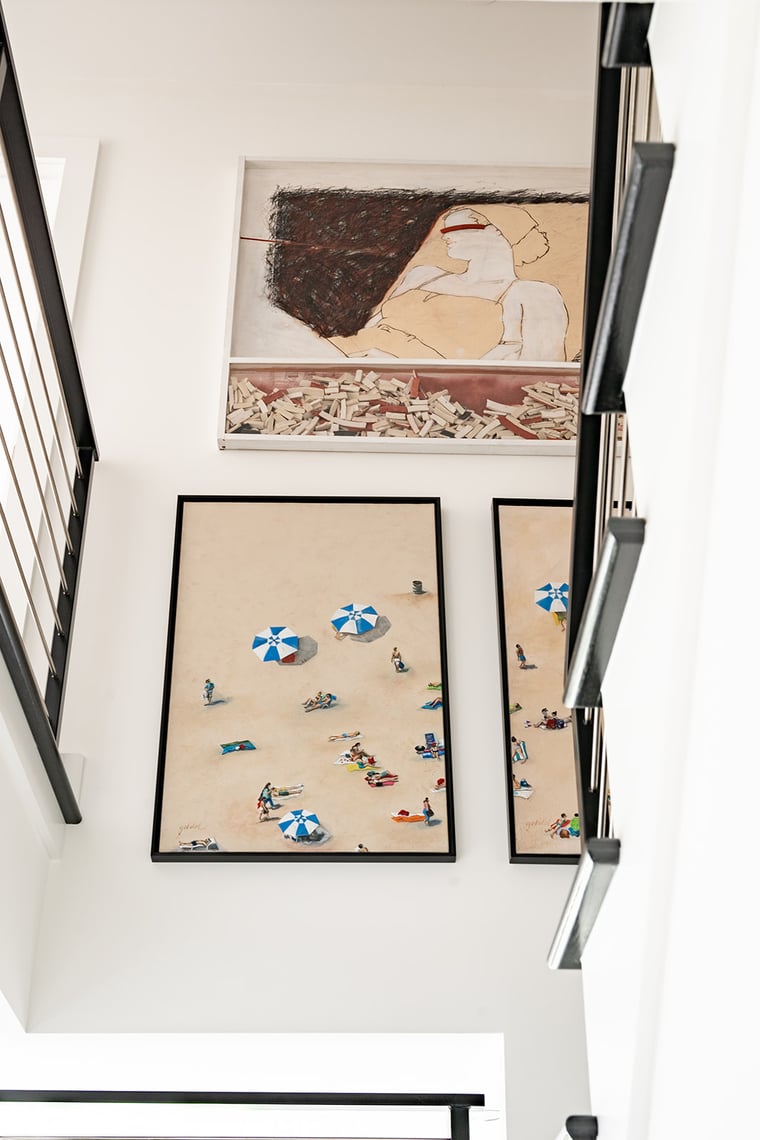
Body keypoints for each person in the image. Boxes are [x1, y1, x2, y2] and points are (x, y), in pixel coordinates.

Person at [332, 206, 569, 362]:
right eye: (445, 229)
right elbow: (369, 330)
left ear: (499, 232)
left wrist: (400, 367)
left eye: (458, 228)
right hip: (345, 359)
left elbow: (537, 376)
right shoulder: (422, 275)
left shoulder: (532, 293)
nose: (446, 235)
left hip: (417, 389)